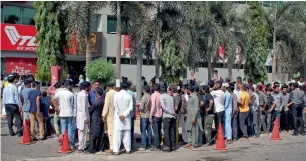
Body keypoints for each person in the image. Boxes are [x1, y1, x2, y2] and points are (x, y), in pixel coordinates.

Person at [113, 81, 134, 155]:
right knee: (127, 134)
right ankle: (128, 149)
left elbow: (115, 106)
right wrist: (124, 115)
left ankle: (116, 150)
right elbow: (130, 107)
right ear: (127, 87)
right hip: (126, 118)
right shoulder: (129, 96)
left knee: (117, 135)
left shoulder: (116, 95)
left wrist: (120, 114)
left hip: (118, 118)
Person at [54, 81, 75, 149]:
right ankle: (71, 144)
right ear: (68, 86)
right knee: (70, 129)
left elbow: (53, 99)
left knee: (63, 128)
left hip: (62, 113)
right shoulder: (71, 94)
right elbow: (72, 105)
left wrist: (56, 107)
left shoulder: (59, 93)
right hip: (70, 113)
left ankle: (63, 142)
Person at [88, 87, 105, 153]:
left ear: (97, 93)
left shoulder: (97, 101)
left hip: (95, 118)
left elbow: (91, 110)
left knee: (93, 134)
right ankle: (98, 147)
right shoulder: (103, 100)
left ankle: (92, 148)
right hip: (100, 118)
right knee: (99, 133)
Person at [160, 85, 175, 152]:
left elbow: (164, 107)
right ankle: (172, 146)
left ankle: (168, 147)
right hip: (172, 117)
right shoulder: (171, 97)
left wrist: (170, 112)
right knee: (171, 132)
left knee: (166, 132)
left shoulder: (162, 96)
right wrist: (172, 113)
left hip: (167, 116)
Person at [102, 83, 116, 154]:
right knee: (115, 131)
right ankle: (116, 146)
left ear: (107, 87)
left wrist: (103, 115)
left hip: (110, 115)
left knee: (110, 132)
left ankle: (112, 148)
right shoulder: (116, 93)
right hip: (116, 115)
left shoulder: (108, 94)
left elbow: (106, 105)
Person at [76, 81, 91, 152]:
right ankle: (82, 146)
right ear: (86, 87)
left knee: (80, 131)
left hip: (79, 115)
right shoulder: (84, 95)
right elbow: (83, 107)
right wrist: (85, 117)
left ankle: (81, 146)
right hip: (83, 115)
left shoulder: (79, 94)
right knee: (84, 132)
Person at [138, 85, 152, 151]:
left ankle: (143, 145)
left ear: (144, 90)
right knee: (149, 130)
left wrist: (138, 107)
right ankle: (149, 143)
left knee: (143, 131)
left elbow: (141, 108)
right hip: (149, 115)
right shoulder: (150, 96)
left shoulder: (144, 97)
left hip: (143, 115)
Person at [150, 84, 163, 151]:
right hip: (160, 114)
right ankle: (159, 144)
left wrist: (150, 115)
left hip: (155, 114)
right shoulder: (161, 95)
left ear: (153, 88)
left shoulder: (153, 95)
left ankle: (157, 146)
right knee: (159, 130)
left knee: (155, 131)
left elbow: (153, 106)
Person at [126, 81, 136, 150]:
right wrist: (134, 113)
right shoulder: (132, 94)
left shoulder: (120, 93)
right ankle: (131, 145)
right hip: (131, 114)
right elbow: (134, 105)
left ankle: (124, 145)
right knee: (131, 130)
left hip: (123, 114)